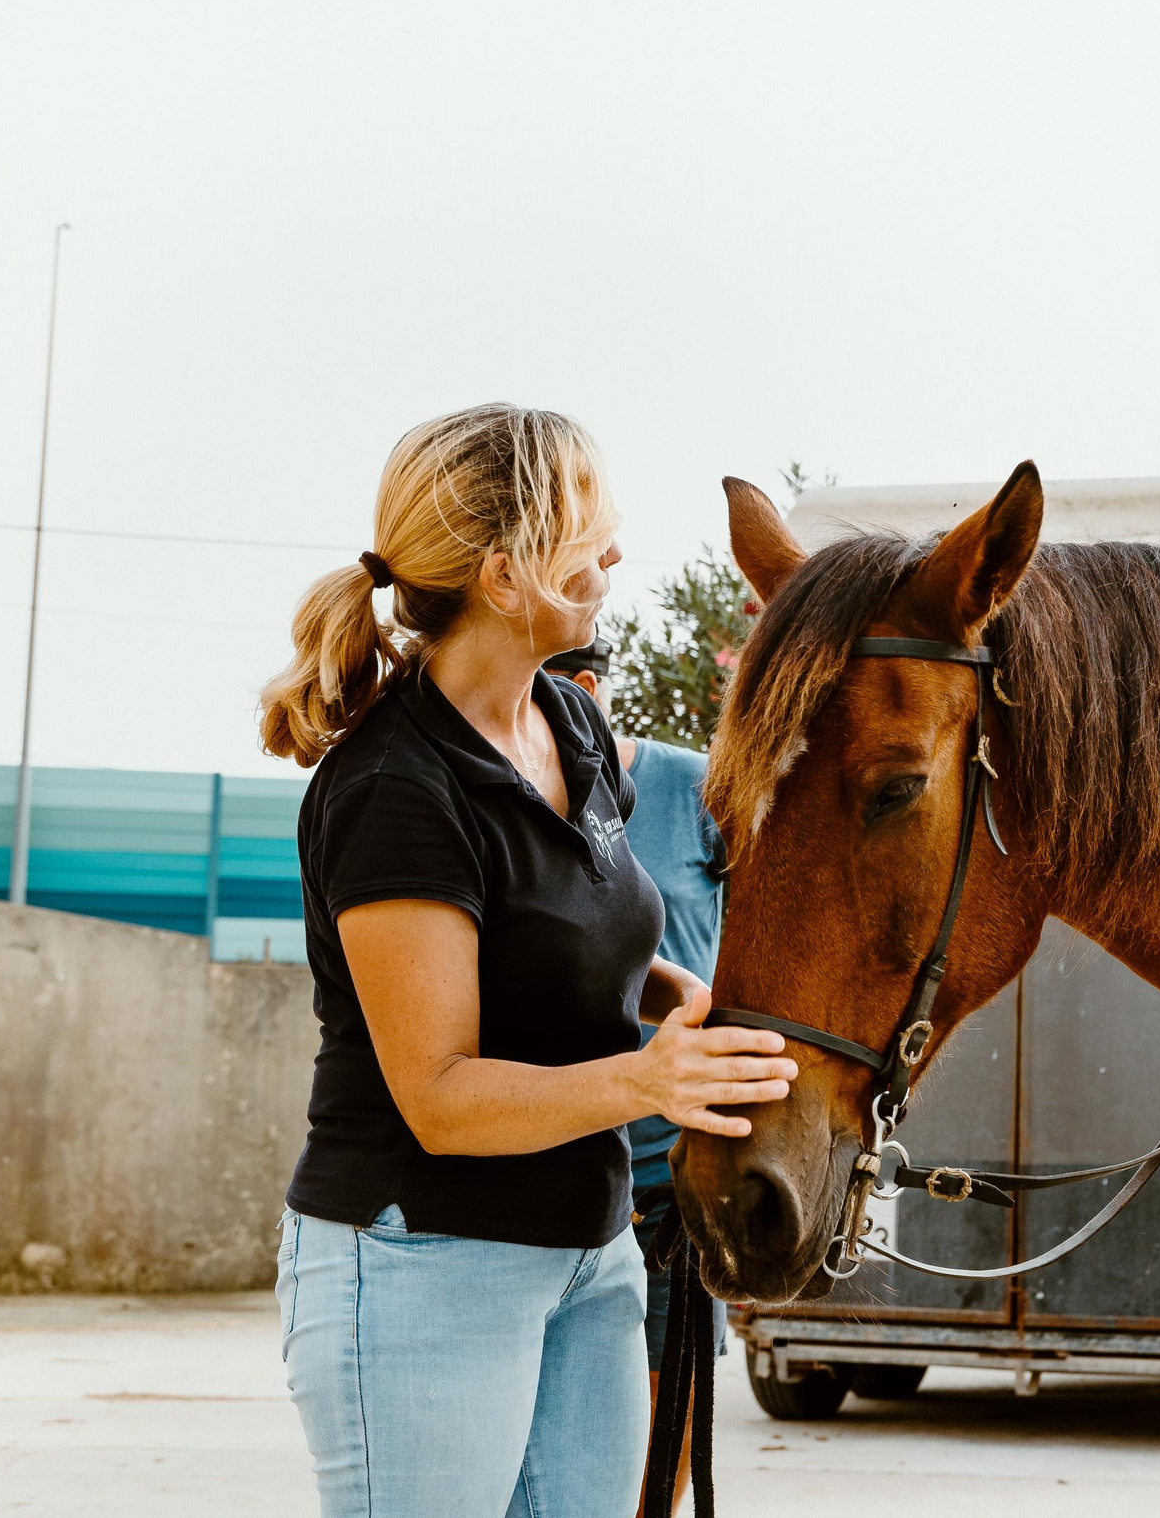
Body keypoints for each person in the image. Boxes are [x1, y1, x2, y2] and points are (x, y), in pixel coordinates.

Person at [259, 403, 797, 1516]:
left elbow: (569, 924)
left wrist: (676, 998)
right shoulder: (394, 790)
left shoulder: (573, 725)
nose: (612, 556)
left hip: (586, 1251)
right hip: (420, 1263)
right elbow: (441, 1097)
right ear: (505, 577)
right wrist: (648, 1081)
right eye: (587, 534)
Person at [539, 638, 728, 1510]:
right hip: (550, 1155)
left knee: (656, 1459)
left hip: (671, 1174)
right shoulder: (520, 797)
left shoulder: (698, 788)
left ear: (581, 692)